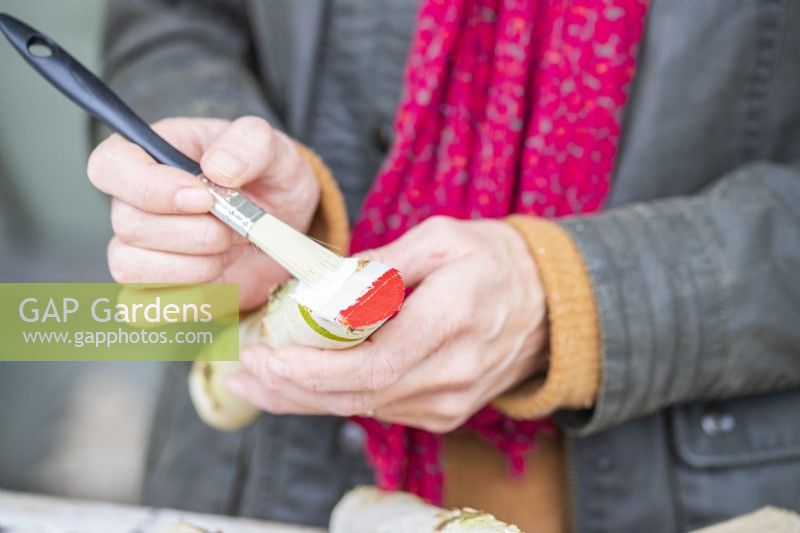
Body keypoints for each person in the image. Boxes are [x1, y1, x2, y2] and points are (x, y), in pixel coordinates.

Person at [88, 1, 800, 531]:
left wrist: (570, 298)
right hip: (264, 474)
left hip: (693, 488)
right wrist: (215, 158)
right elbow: (172, 22)